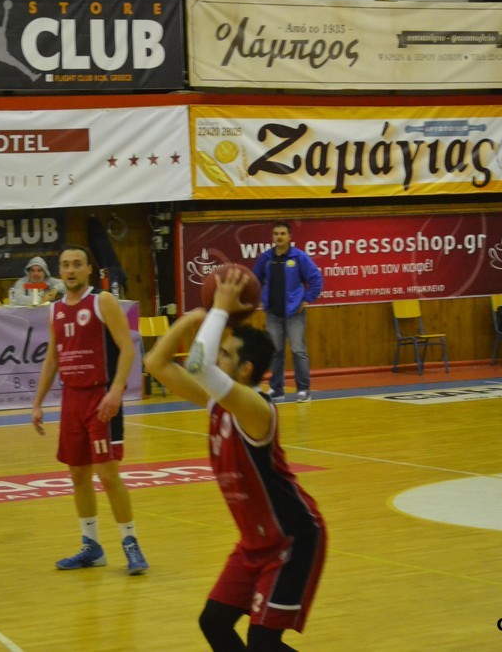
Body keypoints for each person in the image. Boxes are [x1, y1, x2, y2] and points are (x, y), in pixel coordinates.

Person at [144, 269, 326, 652]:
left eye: (225, 354)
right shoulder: (217, 403)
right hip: (254, 543)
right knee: (213, 622)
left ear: (245, 370)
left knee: (262, 642)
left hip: (291, 539)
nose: (216, 355)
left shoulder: (256, 409)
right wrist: (193, 319)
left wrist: (221, 311)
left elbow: (198, 366)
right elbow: (156, 363)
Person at [31, 246, 148, 575]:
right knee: (78, 475)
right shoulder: (55, 309)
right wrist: (38, 403)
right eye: (65, 265)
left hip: (101, 397)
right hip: (72, 399)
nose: (70, 270)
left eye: (77, 265)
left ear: (87, 270)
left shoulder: (102, 301)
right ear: (60, 271)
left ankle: (131, 543)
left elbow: (127, 349)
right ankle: (91, 547)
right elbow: (52, 359)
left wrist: (116, 391)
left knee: (108, 475)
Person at [252, 222, 323, 403]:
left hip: (294, 313)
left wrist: (307, 299)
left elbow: (316, 278)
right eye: (276, 233)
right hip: (273, 314)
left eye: (283, 233)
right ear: (272, 237)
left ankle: (304, 390)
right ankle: (277, 390)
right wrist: (260, 298)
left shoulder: (299, 257)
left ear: (290, 237)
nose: (279, 237)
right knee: (275, 352)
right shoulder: (266, 258)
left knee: (298, 351)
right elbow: (254, 279)